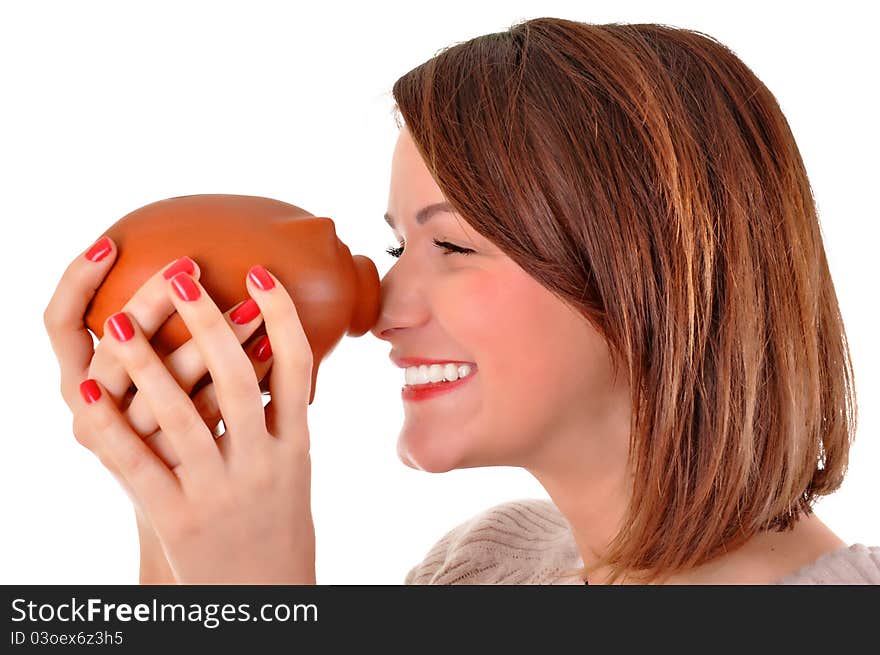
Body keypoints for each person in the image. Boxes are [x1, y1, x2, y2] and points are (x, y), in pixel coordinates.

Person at [44, 17, 879, 585]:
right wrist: (168, 504)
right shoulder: (481, 571)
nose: (381, 309)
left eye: (450, 245)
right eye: (399, 245)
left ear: (647, 271)